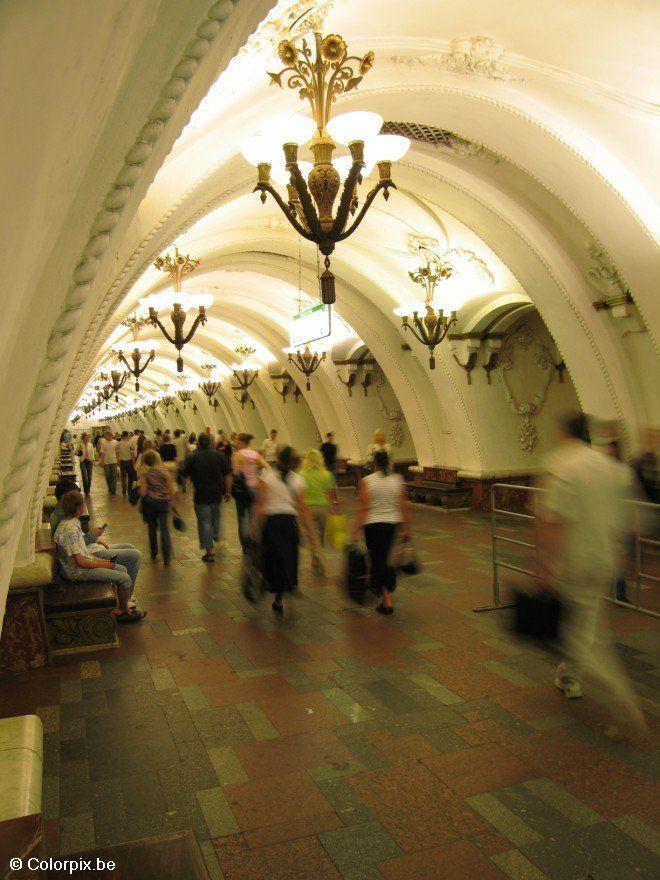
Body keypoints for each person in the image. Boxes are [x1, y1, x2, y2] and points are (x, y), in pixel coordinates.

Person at [539, 412, 647, 741]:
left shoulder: (561, 465)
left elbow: (554, 521)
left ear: (562, 432)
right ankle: (567, 676)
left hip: (575, 563)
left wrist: (545, 566)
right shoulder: (612, 468)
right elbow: (632, 522)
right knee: (588, 627)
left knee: (580, 641)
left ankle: (627, 709)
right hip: (605, 561)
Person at [53, 490, 145, 623]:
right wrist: (104, 564)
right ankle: (124, 611)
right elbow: (80, 561)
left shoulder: (70, 523)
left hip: (80, 565)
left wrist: (102, 561)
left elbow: (82, 553)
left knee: (122, 569)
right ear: (80, 508)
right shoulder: (70, 529)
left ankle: (121, 605)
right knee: (124, 577)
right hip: (77, 572)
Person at [254, 446, 317, 614]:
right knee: (287, 557)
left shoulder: (266, 476)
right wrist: (311, 533)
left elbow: (260, 504)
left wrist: (257, 526)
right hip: (289, 523)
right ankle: (282, 594)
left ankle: (269, 584)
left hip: (271, 523)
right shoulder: (298, 480)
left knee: (272, 556)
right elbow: (302, 508)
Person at [351, 450, 410, 615]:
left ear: (374, 464)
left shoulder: (366, 481)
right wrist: (406, 529)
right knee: (383, 559)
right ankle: (385, 596)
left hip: (373, 526)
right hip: (391, 526)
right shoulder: (397, 480)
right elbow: (403, 505)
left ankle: (386, 600)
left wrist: (355, 531)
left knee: (377, 560)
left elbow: (364, 509)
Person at [180, 433, 232, 562]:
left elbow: (184, 474)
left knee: (204, 522)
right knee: (216, 517)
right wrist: (228, 491)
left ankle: (209, 552)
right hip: (216, 494)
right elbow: (227, 475)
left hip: (201, 495)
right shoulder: (219, 455)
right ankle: (216, 533)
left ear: (198, 442)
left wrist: (183, 487)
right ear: (210, 442)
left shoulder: (193, 457)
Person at [300, 448, 338, 574]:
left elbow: (300, 493)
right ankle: (318, 554)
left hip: (307, 508)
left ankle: (316, 557)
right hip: (323, 507)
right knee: (321, 534)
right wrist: (333, 507)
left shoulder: (301, 474)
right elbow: (331, 493)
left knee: (312, 535)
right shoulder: (326, 474)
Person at [232, 433, 268, 553]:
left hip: (243, 490)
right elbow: (268, 468)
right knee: (254, 516)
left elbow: (236, 473)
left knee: (243, 517)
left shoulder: (237, 455)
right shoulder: (256, 454)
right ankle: (256, 541)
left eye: (237, 441)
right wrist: (257, 476)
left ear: (242, 442)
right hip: (255, 488)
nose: (235, 443)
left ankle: (246, 545)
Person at [139, 450, 174, 564]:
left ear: (146, 462)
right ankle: (167, 556)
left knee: (152, 528)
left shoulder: (145, 475)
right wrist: (170, 500)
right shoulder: (165, 472)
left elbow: (143, 492)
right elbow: (170, 489)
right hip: (163, 502)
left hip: (150, 503)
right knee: (164, 528)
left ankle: (154, 552)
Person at [98, 429, 119, 495]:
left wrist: (118, 459)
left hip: (114, 461)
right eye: (105, 436)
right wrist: (102, 461)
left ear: (110, 436)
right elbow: (102, 453)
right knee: (107, 475)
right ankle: (110, 487)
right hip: (106, 462)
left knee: (113, 475)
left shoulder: (115, 442)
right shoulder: (103, 442)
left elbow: (117, 452)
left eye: (106, 436)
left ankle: (113, 489)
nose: (105, 437)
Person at [117, 430, 136, 497]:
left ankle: (124, 490)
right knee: (130, 477)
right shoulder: (131, 443)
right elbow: (132, 454)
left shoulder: (119, 443)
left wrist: (118, 461)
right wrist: (134, 463)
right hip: (129, 461)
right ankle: (129, 490)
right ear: (127, 436)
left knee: (123, 477)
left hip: (122, 462)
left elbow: (117, 453)